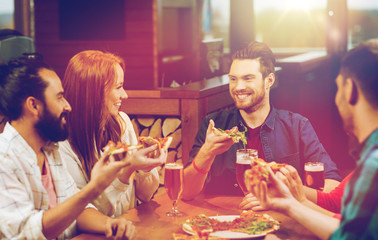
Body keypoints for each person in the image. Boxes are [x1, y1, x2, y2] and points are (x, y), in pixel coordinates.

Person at [251, 39, 378, 240]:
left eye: (338, 89)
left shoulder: (373, 165)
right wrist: (291, 203)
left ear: (350, 90)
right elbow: (347, 226)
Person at [182, 41, 341, 199]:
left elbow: (333, 185)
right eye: (233, 79)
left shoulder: (298, 126)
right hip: (227, 221)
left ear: (269, 80)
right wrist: (207, 152)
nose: (238, 87)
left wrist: (281, 196)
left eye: (248, 78)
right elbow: (186, 192)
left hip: (282, 221)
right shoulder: (214, 125)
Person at [0, 54, 135, 239]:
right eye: (59, 98)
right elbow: (26, 231)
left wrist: (109, 224)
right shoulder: (4, 159)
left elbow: (78, 209)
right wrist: (94, 188)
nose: (68, 106)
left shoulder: (49, 150)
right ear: (34, 105)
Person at [59, 50, 165, 217]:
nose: (125, 95)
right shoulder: (62, 145)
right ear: (94, 93)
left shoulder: (122, 123)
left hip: (128, 229)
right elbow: (83, 216)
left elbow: (145, 195)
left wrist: (146, 168)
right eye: (119, 87)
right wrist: (127, 170)